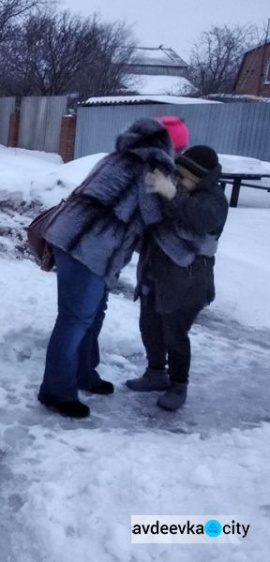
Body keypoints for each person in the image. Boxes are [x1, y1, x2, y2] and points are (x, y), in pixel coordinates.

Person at [38, 118, 176, 418]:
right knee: (74, 319)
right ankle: (57, 392)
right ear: (166, 145)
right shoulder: (153, 167)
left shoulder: (113, 158)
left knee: (93, 313)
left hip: (72, 239)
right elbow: (154, 216)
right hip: (89, 247)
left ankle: (84, 373)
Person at [126, 146, 228, 411]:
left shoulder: (214, 199)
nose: (178, 182)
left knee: (175, 335)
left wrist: (171, 192)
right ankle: (155, 373)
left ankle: (178, 384)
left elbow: (198, 220)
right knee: (150, 327)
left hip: (187, 280)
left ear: (201, 178)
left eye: (184, 178)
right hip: (155, 272)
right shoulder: (184, 192)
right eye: (176, 176)